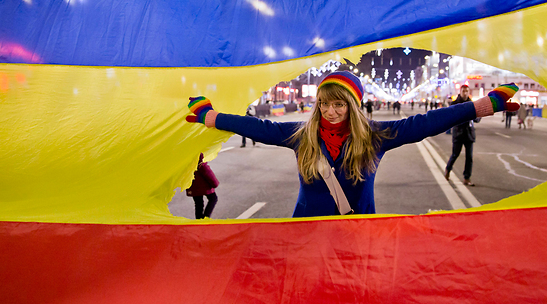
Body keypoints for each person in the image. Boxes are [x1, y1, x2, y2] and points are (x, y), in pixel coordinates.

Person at [186, 71, 519, 217]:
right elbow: (257, 127)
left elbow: (426, 123)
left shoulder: (374, 137)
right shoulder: (302, 137)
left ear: (353, 106)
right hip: (305, 235)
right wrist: (210, 116)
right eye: (325, 104)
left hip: (358, 231)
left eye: (339, 104)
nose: (331, 112)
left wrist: (485, 104)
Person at [444, 85, 481, 186]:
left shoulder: (473, 104)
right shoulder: (455, 103)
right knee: (455, 154)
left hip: (469, 134)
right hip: (458, 133)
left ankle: (467, 178)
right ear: (460, 92)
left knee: (469, 157)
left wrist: (475, 116)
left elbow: (477, 119)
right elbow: (451, 118)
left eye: (467, 91)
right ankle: (448, 169)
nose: (465, 93)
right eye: (463, 91)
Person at [186, 153, 220, 219]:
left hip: (193, 186)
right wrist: (215, 183)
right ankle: (205, 218)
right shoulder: (200, 161)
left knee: (198, 204)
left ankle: (199, 221)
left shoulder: (188, 160)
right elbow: (207, 173)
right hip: (204, 186)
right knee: (213, 198)